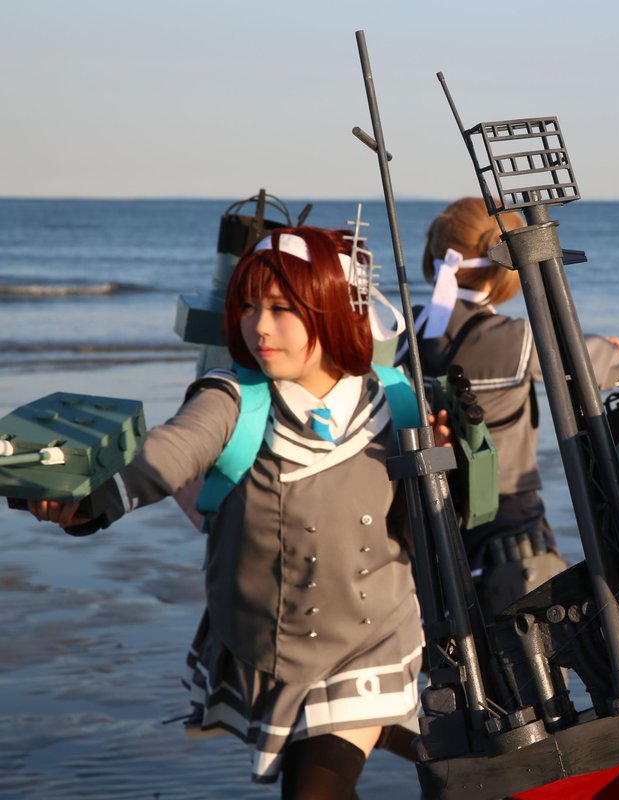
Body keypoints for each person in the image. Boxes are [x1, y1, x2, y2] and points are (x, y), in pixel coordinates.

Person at [27, 226, 436, 799]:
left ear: (332, 309)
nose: (258, 326)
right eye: (247, 306)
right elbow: (170, 451)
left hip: (373, 641)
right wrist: (93, 498)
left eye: (281, 309)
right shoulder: (233, 397)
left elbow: (437, 520)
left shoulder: (395, 399)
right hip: (273, 645)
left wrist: (452, 461)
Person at [409, 197, 619, 589]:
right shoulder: (513, 339)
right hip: (508, 517)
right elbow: (581, 358)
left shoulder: (409, 333)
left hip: (428, 514)